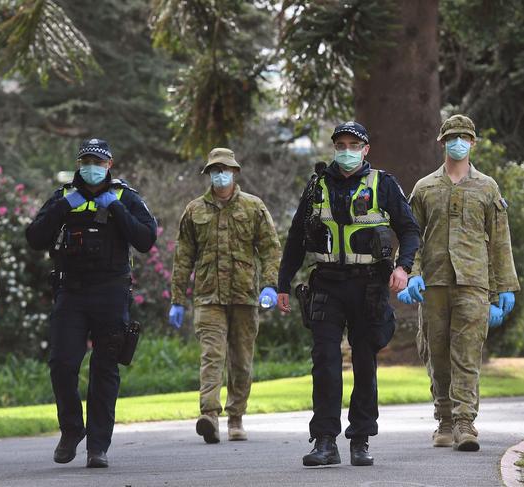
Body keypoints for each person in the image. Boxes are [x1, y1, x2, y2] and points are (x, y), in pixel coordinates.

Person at [277, 121, 420, 467]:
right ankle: (325, 441)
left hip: (369, 284)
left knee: (364, 362)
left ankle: (360, 439)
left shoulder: (383, 184)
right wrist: (282, 283)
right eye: (340, 143)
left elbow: (409, 229)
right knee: (324, 361)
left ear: (365, 149)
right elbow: (296, 237)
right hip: (326, 283)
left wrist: (404, 267)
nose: (346, 150)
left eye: (353, 144)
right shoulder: (317, 187)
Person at [25, 138, 157, 468]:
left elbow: (146, 239)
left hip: (111, 293)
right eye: (87, 161)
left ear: (109, 165)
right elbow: (34, 237)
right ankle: (72, 429)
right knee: (62, 363)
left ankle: (98, 446)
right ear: (78, 163)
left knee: (105, 368)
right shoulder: (64, 196)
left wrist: (115, 207)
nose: (92, 167)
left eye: (98, 162)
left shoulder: (126, 196)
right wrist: (63, 206)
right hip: (71, 293)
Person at [397, 114, 519, 452]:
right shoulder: (424, 188)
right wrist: (411, 271)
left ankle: (466, 423)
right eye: (452, 136)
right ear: (442, 142)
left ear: (473, 143)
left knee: (467, 355)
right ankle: (445, 421)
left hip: (473, 282)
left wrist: (504, 287)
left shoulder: (487, 187)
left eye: (464, 137)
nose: (458, 142)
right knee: (436, 353)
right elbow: (411, 235)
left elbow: (499, 240)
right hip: (433, 283)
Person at [168, 147, 281, 444]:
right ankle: (209, 415)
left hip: (244, 295)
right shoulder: (194, 211)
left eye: (225, 169)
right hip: (208, 297)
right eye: (214, 170)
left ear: (234, 172)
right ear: (208, 174)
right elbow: (183, 257)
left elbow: (270, 248)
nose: (220, 175)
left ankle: (236, 417)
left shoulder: (254, 208)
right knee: (212, 356)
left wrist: (270, 284)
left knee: (242, 360)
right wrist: (177, 299)